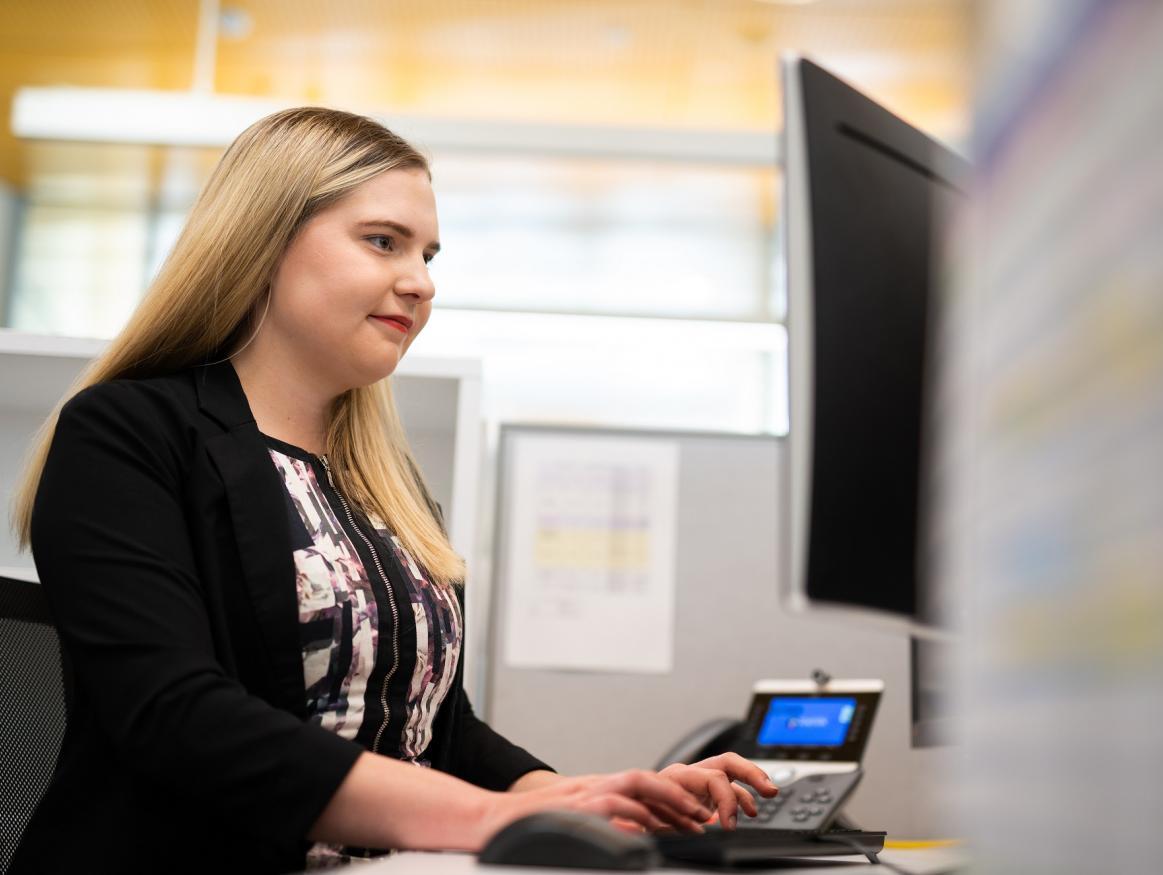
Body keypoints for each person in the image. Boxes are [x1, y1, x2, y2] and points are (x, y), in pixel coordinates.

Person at [9, 108, 775, 874]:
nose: (421, 282)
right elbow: (177, 714)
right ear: (265, 240)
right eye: (384, 241)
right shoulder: (128, 432)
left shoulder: (380, 481)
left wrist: (591, 796)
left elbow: (438, 726)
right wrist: (493, 816)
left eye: (430, 254)